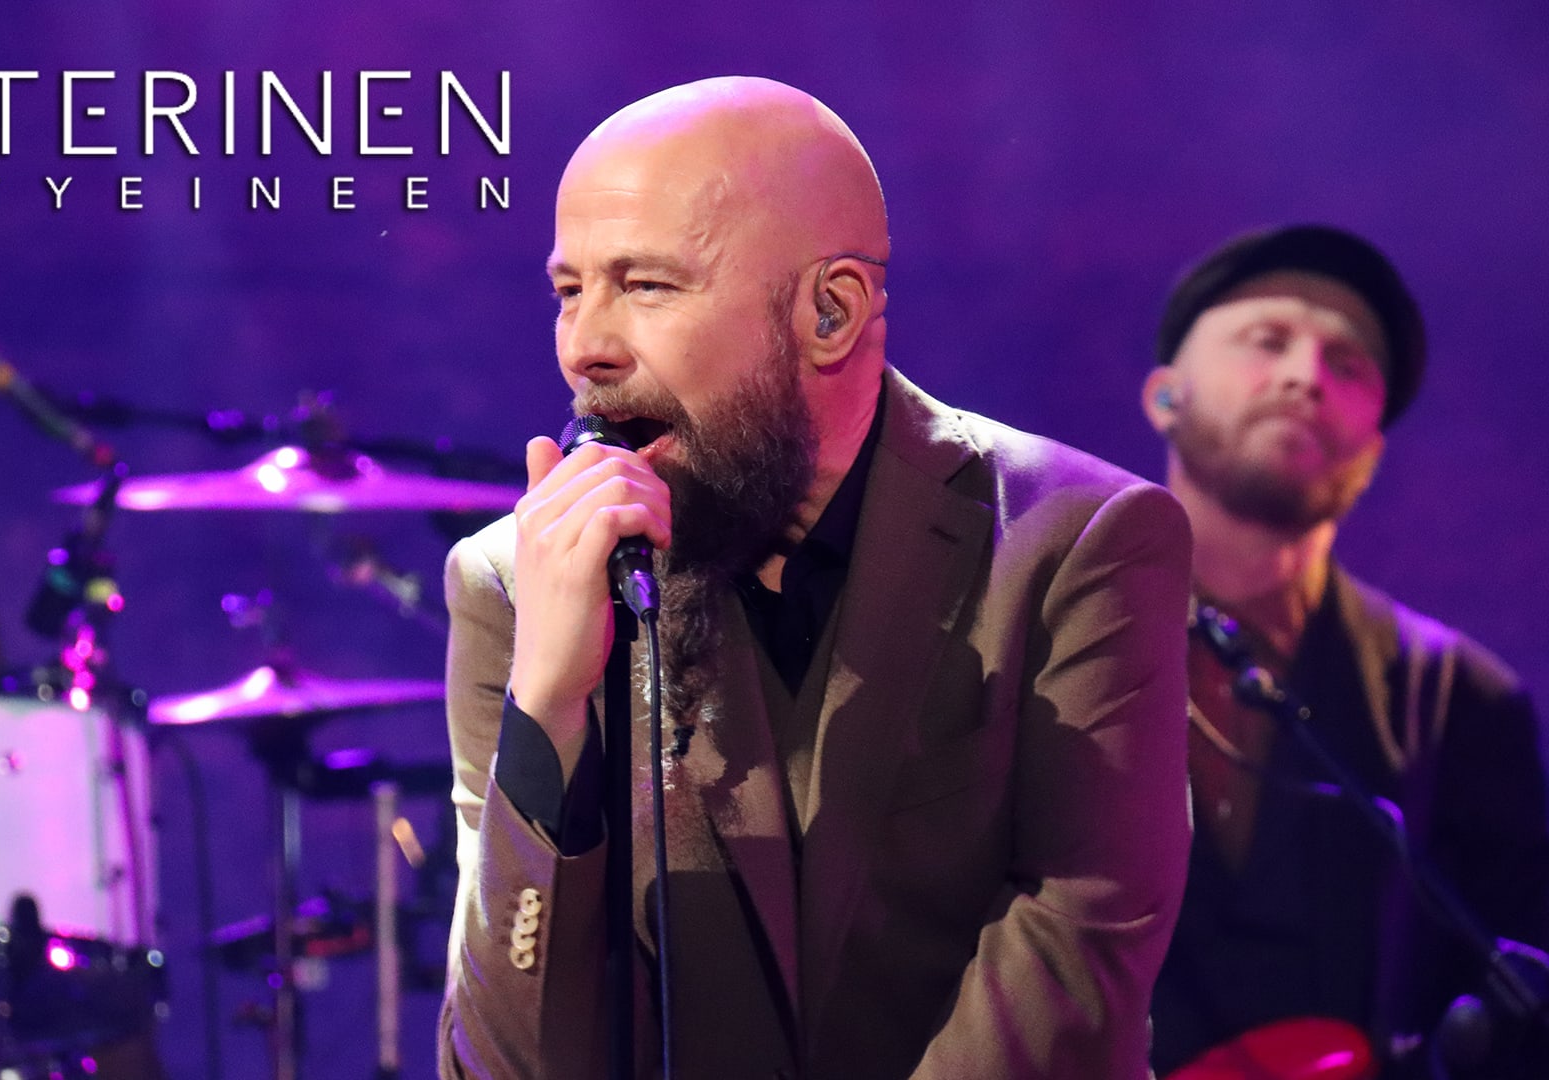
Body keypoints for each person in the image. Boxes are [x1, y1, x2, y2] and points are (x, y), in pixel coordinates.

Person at [439, 76, 1195, 1078]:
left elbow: (1071, 974)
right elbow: (500, 1064)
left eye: (647, 285)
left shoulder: (1079, 543)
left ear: (830, 313)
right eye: (570, 291)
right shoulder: (511, 588)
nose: (585, 348)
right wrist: (548, 707)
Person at [1140, 225, 1549, 1077]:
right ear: (1165, 395)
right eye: (1268, 339)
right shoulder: (1032, 633)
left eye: (1349, 365)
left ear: (1372, 455)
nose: (1306, 376)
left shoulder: (1461, 701)